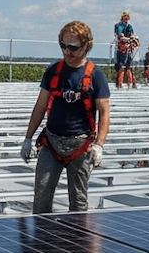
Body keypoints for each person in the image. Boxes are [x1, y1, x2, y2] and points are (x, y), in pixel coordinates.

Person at [20, 21, 111, 213]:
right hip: (51, 142)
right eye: (63, 45)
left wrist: (99, 145)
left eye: (73, 47)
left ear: (86, 46)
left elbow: (104, 112)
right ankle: (42, 240)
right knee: (41, 197)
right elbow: (40, 106)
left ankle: (77, 242)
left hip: (81, 145)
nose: (67, 51)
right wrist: (28, 138)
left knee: (78, 203)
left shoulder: (96, 75)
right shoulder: (53, 72)